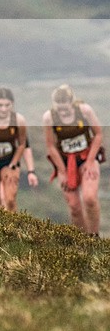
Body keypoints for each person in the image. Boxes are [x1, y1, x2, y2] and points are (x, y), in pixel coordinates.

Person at [42, 84, 103, 236]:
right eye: (59, 109)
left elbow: (98, 134)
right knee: (74, 206)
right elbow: (50, 146)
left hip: (86, 157)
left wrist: (90, 162)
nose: (62, 112)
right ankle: (82, 241)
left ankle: (94, 237)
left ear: (72, 103)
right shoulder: (49, 117)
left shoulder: (84, 111)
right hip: (65, 162)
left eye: (65, 108)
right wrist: (61, 171)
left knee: (89, 198)